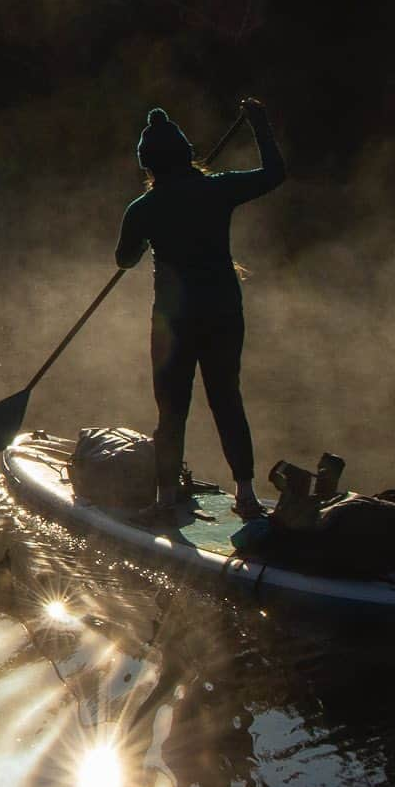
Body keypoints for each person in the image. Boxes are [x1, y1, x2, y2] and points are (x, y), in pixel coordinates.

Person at [115, 99, 285, 520]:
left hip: (173, 321)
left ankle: (166, 500)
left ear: (148, 165)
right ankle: (246, 496)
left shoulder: (142, 210)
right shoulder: (218, 188)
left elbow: (124, 260)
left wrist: (142, 239)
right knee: (227, 398)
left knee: (172, 409)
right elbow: (274, 175)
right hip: (224, 312)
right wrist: (260, 124)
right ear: (185, 154)